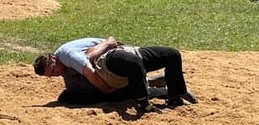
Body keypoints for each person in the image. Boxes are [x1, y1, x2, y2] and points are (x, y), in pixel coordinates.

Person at [33, 37, 198, 113]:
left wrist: (108, 92)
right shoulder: (62, 60)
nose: (56, 74)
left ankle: (167, 90)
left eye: (54, 70)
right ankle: (151, 82)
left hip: (111, 63)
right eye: (52, 75)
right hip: (114, 59)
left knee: (116, 92)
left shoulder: (68, 55)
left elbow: (91, 74)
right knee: (67, 95)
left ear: (53, 58)